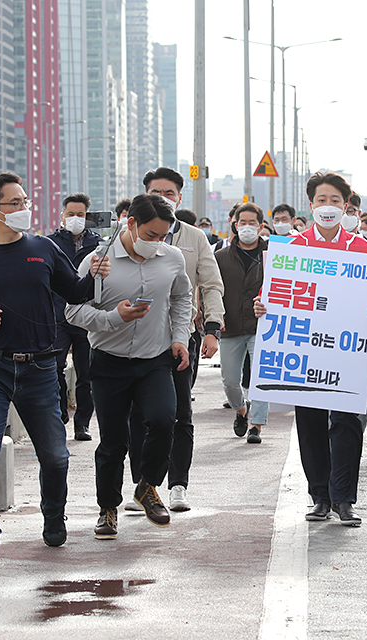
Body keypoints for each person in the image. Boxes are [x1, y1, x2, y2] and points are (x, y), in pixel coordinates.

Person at [0, 172, 110, 561]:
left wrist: (95, 275)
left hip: (40, 367)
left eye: (26, 202)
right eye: (15, 203)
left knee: (55, 455)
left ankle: (53, 516)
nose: (24, 209)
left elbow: (74, 290)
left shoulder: (43, 249)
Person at [254, 171, 367, 526]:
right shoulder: (294, 249)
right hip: (307, 351)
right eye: (321, 200)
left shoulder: (364, 249)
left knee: (347, 423)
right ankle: (319, 496)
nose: (328, 207)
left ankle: (344, 498)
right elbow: (273, 292)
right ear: (311, 204)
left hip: (346, 353)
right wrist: (262, 304)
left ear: (346, 206)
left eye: (335, 201)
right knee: (311, 422)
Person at [66, 193, 192, 540]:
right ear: (131, 223)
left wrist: (180, 336)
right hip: (109, 362)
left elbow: (182, 297)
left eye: (164, 236)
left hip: (155, 359)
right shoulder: (98, 260)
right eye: (151, 235)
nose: (158, 243)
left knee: (165, 420)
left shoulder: (172, 258)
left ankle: (148, 486)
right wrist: (113, 318)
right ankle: (107, 509)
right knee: (113, 442)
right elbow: (73, 311)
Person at [126, 167, 224, 513]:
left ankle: (178, 484)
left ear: (179, 197)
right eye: (156, 192)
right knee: (139, 415)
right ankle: (144, 485)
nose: (163, 198)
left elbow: (211, 283)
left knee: (180, 412)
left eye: (169, 193)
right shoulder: (127, 234)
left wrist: (212, 327)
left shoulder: (194, 238)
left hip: (182, 338)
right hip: (137, 338)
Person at [47, 192, 101, 441]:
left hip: (85, 316)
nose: (75, 219)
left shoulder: (99, 245)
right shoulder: (50, 243)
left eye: (80, 215)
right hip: (57, 316)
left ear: (87, 217)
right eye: (71, 214)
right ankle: (60, 414)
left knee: (86, 372)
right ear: (62, 216)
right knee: (54, 368)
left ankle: (83, 423)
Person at [215, 202, 269, 444]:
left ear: (261, 225)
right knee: (229, 381)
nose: (247, 227)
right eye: (242, 222)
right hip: (231, 326)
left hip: (264, 326)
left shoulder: (274, 256)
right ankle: (241, 409)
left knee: (261, 376)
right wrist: (213, 319)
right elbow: (212, 290)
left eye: (252, 222)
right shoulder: (220, 257)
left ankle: (256, 425)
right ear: (234, 225)